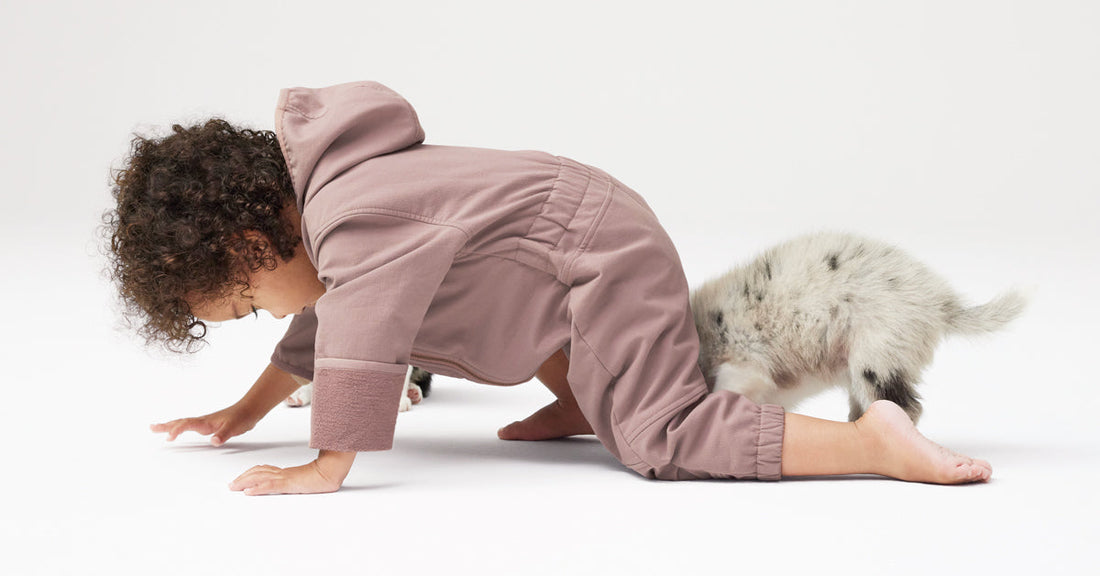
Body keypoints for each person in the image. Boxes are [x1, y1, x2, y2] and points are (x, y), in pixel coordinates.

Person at [107, 81, 992, 495]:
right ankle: (579, 395)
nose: (268, 313)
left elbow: (358, 338)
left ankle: (873, 442)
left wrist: (328, 462)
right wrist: (244, 411)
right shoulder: (340, 211)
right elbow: (327, 323)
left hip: (598, 257)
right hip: (563, 252)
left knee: (659, 436)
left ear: (252, 241)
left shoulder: (348, 218)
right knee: (482, 298)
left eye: (248, 302)